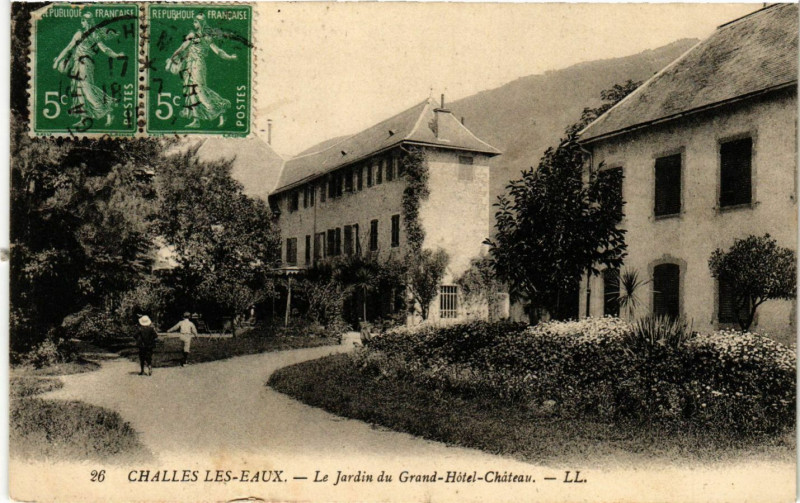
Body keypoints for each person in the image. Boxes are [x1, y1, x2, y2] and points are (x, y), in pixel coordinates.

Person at [52, 12, 125, 127]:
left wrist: (116, 55)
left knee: (87, 89)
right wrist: (57, 61)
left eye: (88, 20)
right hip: (77, 64)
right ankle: (84, 118)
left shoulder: (95, 34)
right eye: (84, 20)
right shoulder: (79, 34)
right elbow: (68, 48)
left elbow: (104, 49)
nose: (85, 23)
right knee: (78, 90)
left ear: (91, 22)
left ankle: (108, 111)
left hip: (86, 64)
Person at [166, 14, 237, 128]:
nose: (194, 24)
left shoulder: (204, 37)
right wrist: (172, 57)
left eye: (196, 22)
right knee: (191, 90)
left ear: (201, 23)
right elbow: (183, 48)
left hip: (198, 65)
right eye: (194, 22)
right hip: (190, 64)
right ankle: (196, 120)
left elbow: (218, 51)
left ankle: (220, 110)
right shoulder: (194, 36)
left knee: (199, 90)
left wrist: (230, 57)